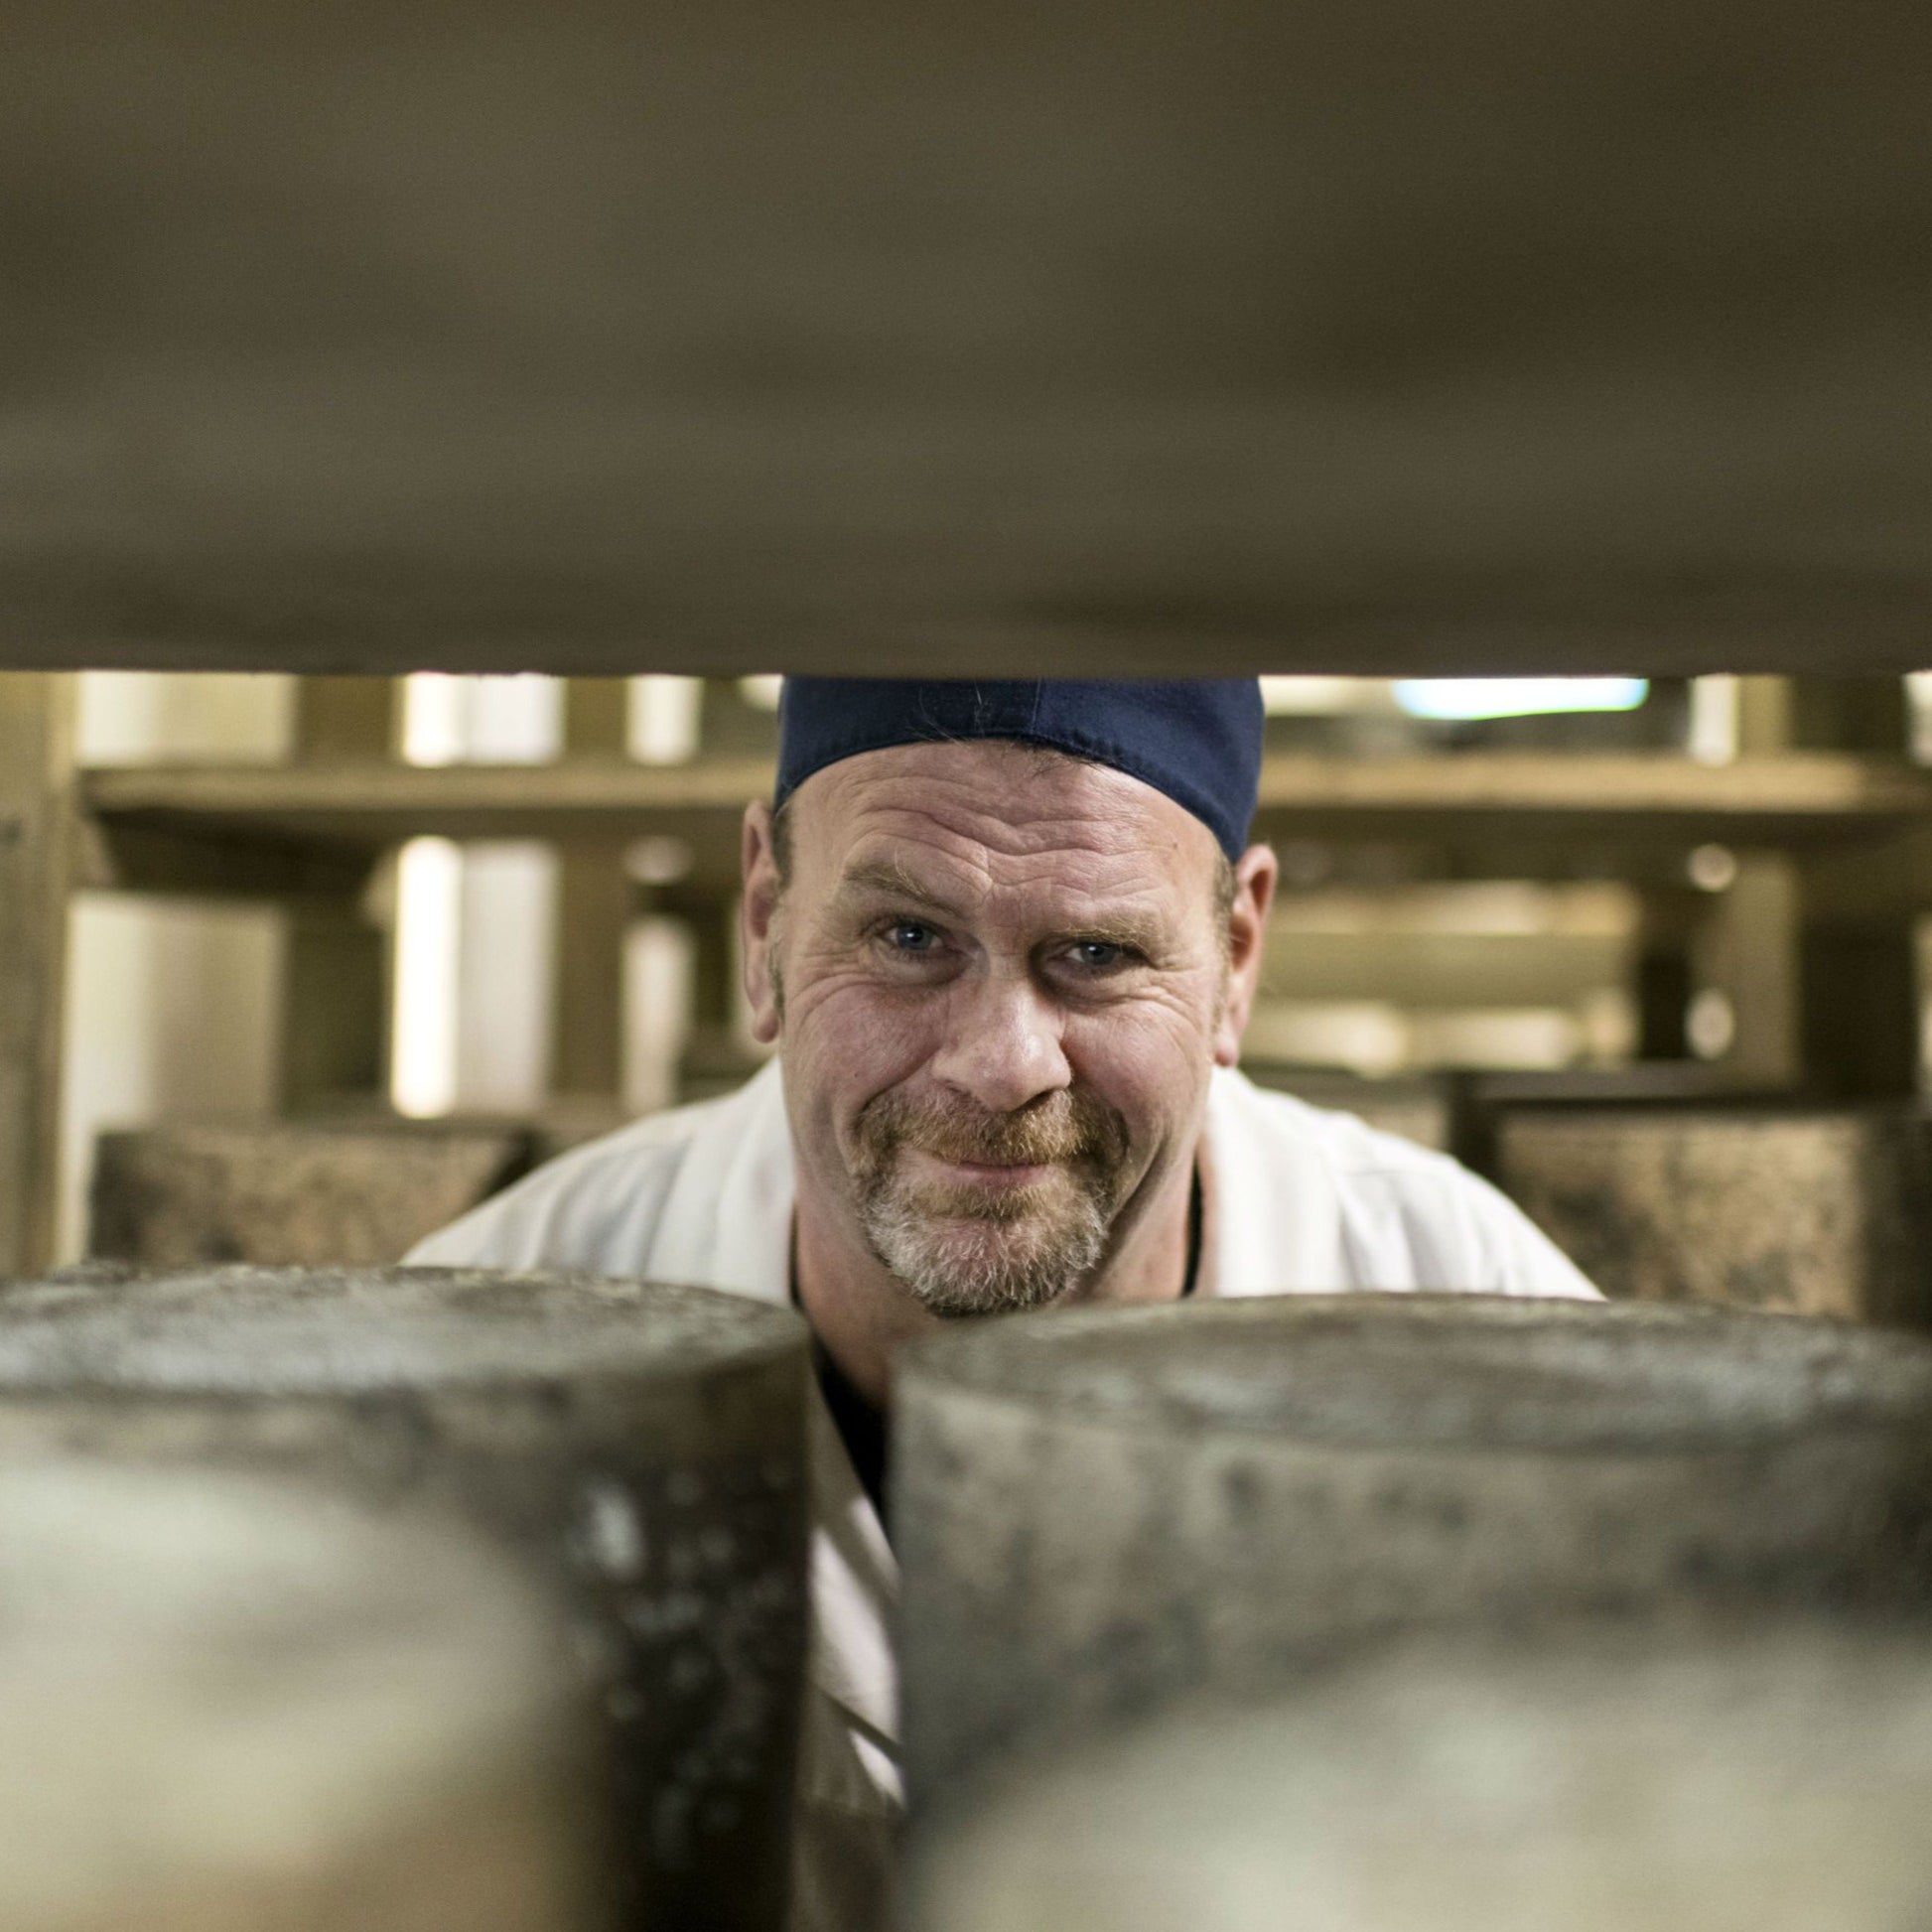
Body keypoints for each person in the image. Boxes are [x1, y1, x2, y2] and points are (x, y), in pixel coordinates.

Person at [408, 677, 1597, 1929]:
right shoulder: (467, 1366)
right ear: (764, 922)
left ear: (1234, 959)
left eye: (1094, 955)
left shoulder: (1470, 1317)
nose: (999, 1064)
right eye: (908, 938)